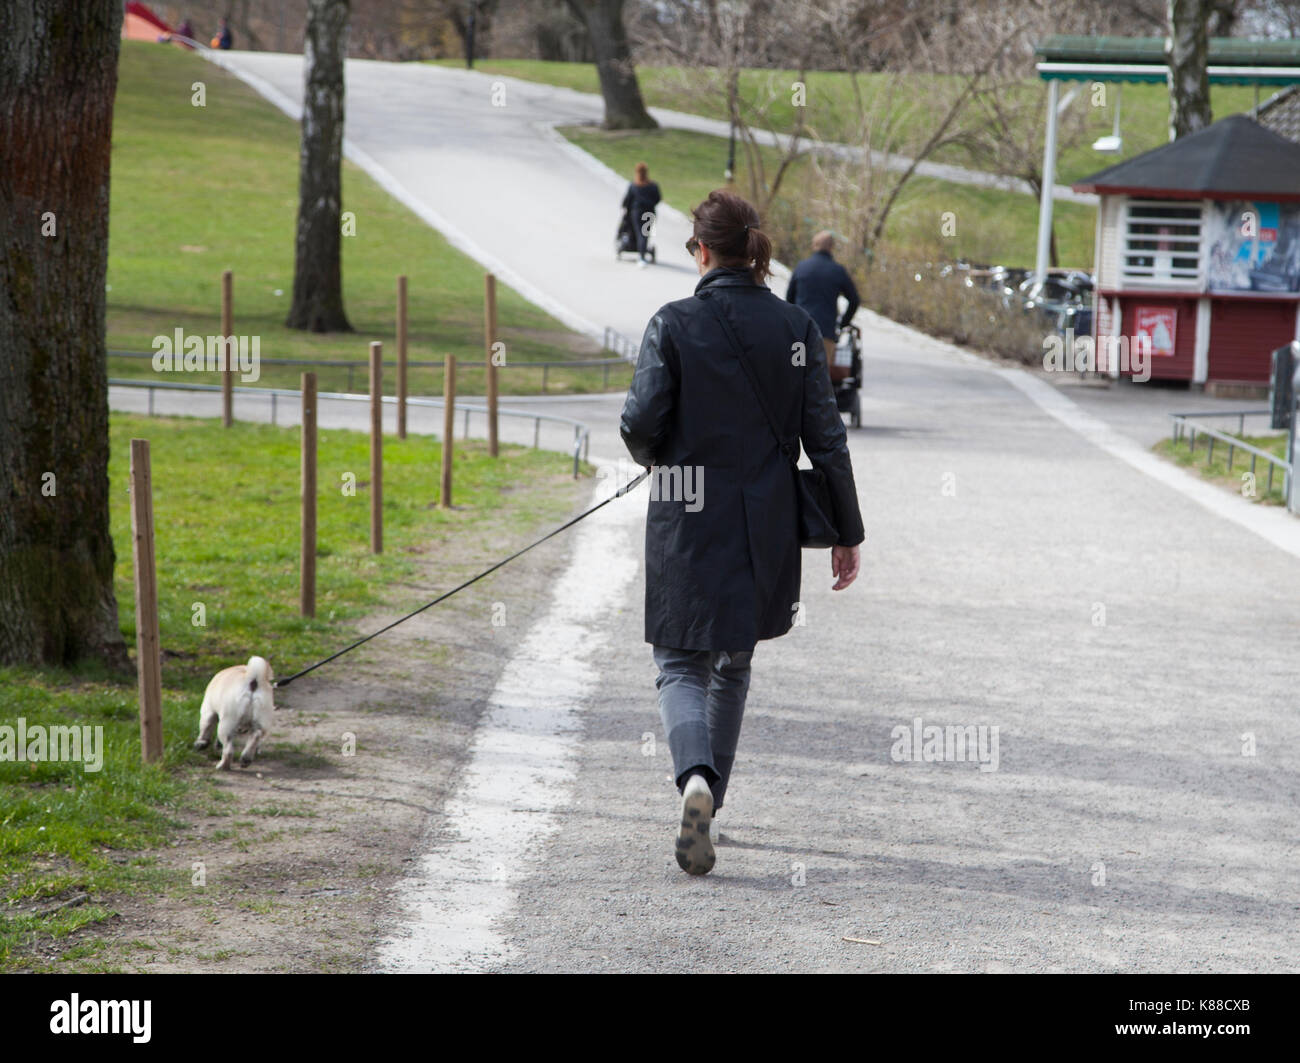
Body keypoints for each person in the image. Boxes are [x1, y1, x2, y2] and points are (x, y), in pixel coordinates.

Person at [620, 190, 865, 877]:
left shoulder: (672, 321)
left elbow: (640, 426)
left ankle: (692, 777)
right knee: (734, 661)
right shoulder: (793, 329)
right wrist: (847, 530)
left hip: (683, 508)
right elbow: (826, 437)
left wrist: (660, 456)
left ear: (701, 250)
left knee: (678, 661)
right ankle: (711, 801)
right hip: (765, 518)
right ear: (754, 248)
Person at [786, 231, 860, 382]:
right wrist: (843, 322)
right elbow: (854, 300)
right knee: (818, 376)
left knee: (797, 372)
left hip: (800, 332)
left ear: (814, 245)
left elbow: (789, 300)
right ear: (831, 247)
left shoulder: (801, 267)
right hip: (825, 332)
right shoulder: (838, 271)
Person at [622, 162, 661, 268]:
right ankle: (642, 253)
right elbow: (658, 199)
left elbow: (627, 200)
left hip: (637, 213)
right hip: (649, 212)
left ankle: (641, 256)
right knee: (645, 234)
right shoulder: (653, 186)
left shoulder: (634, 185)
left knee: (640, 233)